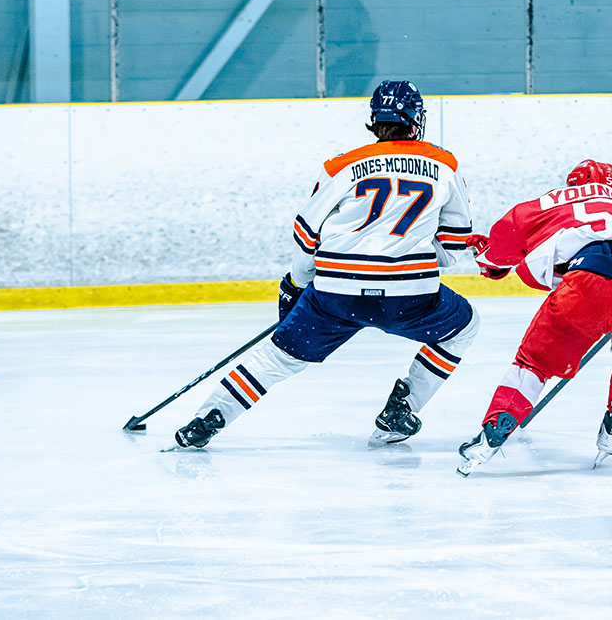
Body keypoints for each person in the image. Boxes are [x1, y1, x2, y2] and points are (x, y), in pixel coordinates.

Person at [174, 80, 479, 449]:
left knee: (279, 357)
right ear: (416, 121)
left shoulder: (342, 165)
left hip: (337, 293)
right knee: (464, 326)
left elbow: (306, 232)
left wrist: (298, 283)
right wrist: (420, 257)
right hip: (409, 296)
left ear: (375, 121)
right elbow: (454, 245)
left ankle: (207, 418)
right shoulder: (445, 164)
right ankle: (402, 409)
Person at [456, 160, 612, 476]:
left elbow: (511, 230)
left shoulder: (555, 201)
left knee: (533, 364)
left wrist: (490, 260)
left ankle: (494, 429)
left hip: (586, 286)